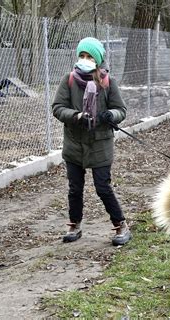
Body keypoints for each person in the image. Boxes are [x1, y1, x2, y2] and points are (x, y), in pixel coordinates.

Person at [52, 37, 132, 246]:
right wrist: (76, 116)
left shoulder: (108, 82)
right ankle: (74, 224)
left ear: (97, 60)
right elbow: (58, 107)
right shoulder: (68, 80)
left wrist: (110, 116)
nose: (85, 60)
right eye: (82, 55)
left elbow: (121, 110)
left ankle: (121, 225)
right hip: (74, 142)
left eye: (89, 57)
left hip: (100, 143)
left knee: (103, 187)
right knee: (75, 188)